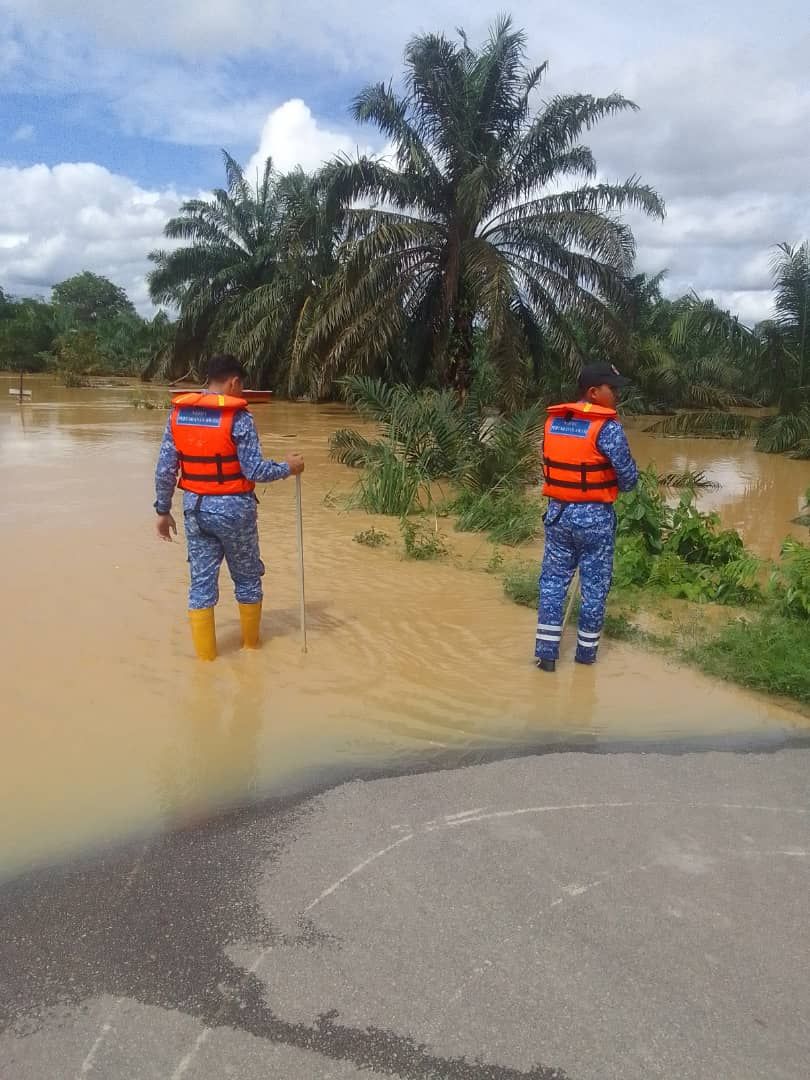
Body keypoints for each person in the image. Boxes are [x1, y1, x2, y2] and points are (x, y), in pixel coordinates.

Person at [154, 354, 304, 661]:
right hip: (234, 511)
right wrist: (288, 468)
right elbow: (255, 470)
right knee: (247, 579)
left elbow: (165, 470)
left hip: (195, 510)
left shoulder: (178, 415)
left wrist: (162, 510)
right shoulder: (239, 417)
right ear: (234, 382)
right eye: (242, 385)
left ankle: (205, 662)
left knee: (201, 586)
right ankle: (251, 651)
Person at [535, 362, 638, 672]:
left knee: (553, 584)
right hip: (594, 519)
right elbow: (628, 479)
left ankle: (546, 658)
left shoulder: (553, 422)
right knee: (594, 587)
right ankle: (585, 658)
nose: (617, 395)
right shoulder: (607, 427)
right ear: (593, 392)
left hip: (558, 515)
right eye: (612, 389)